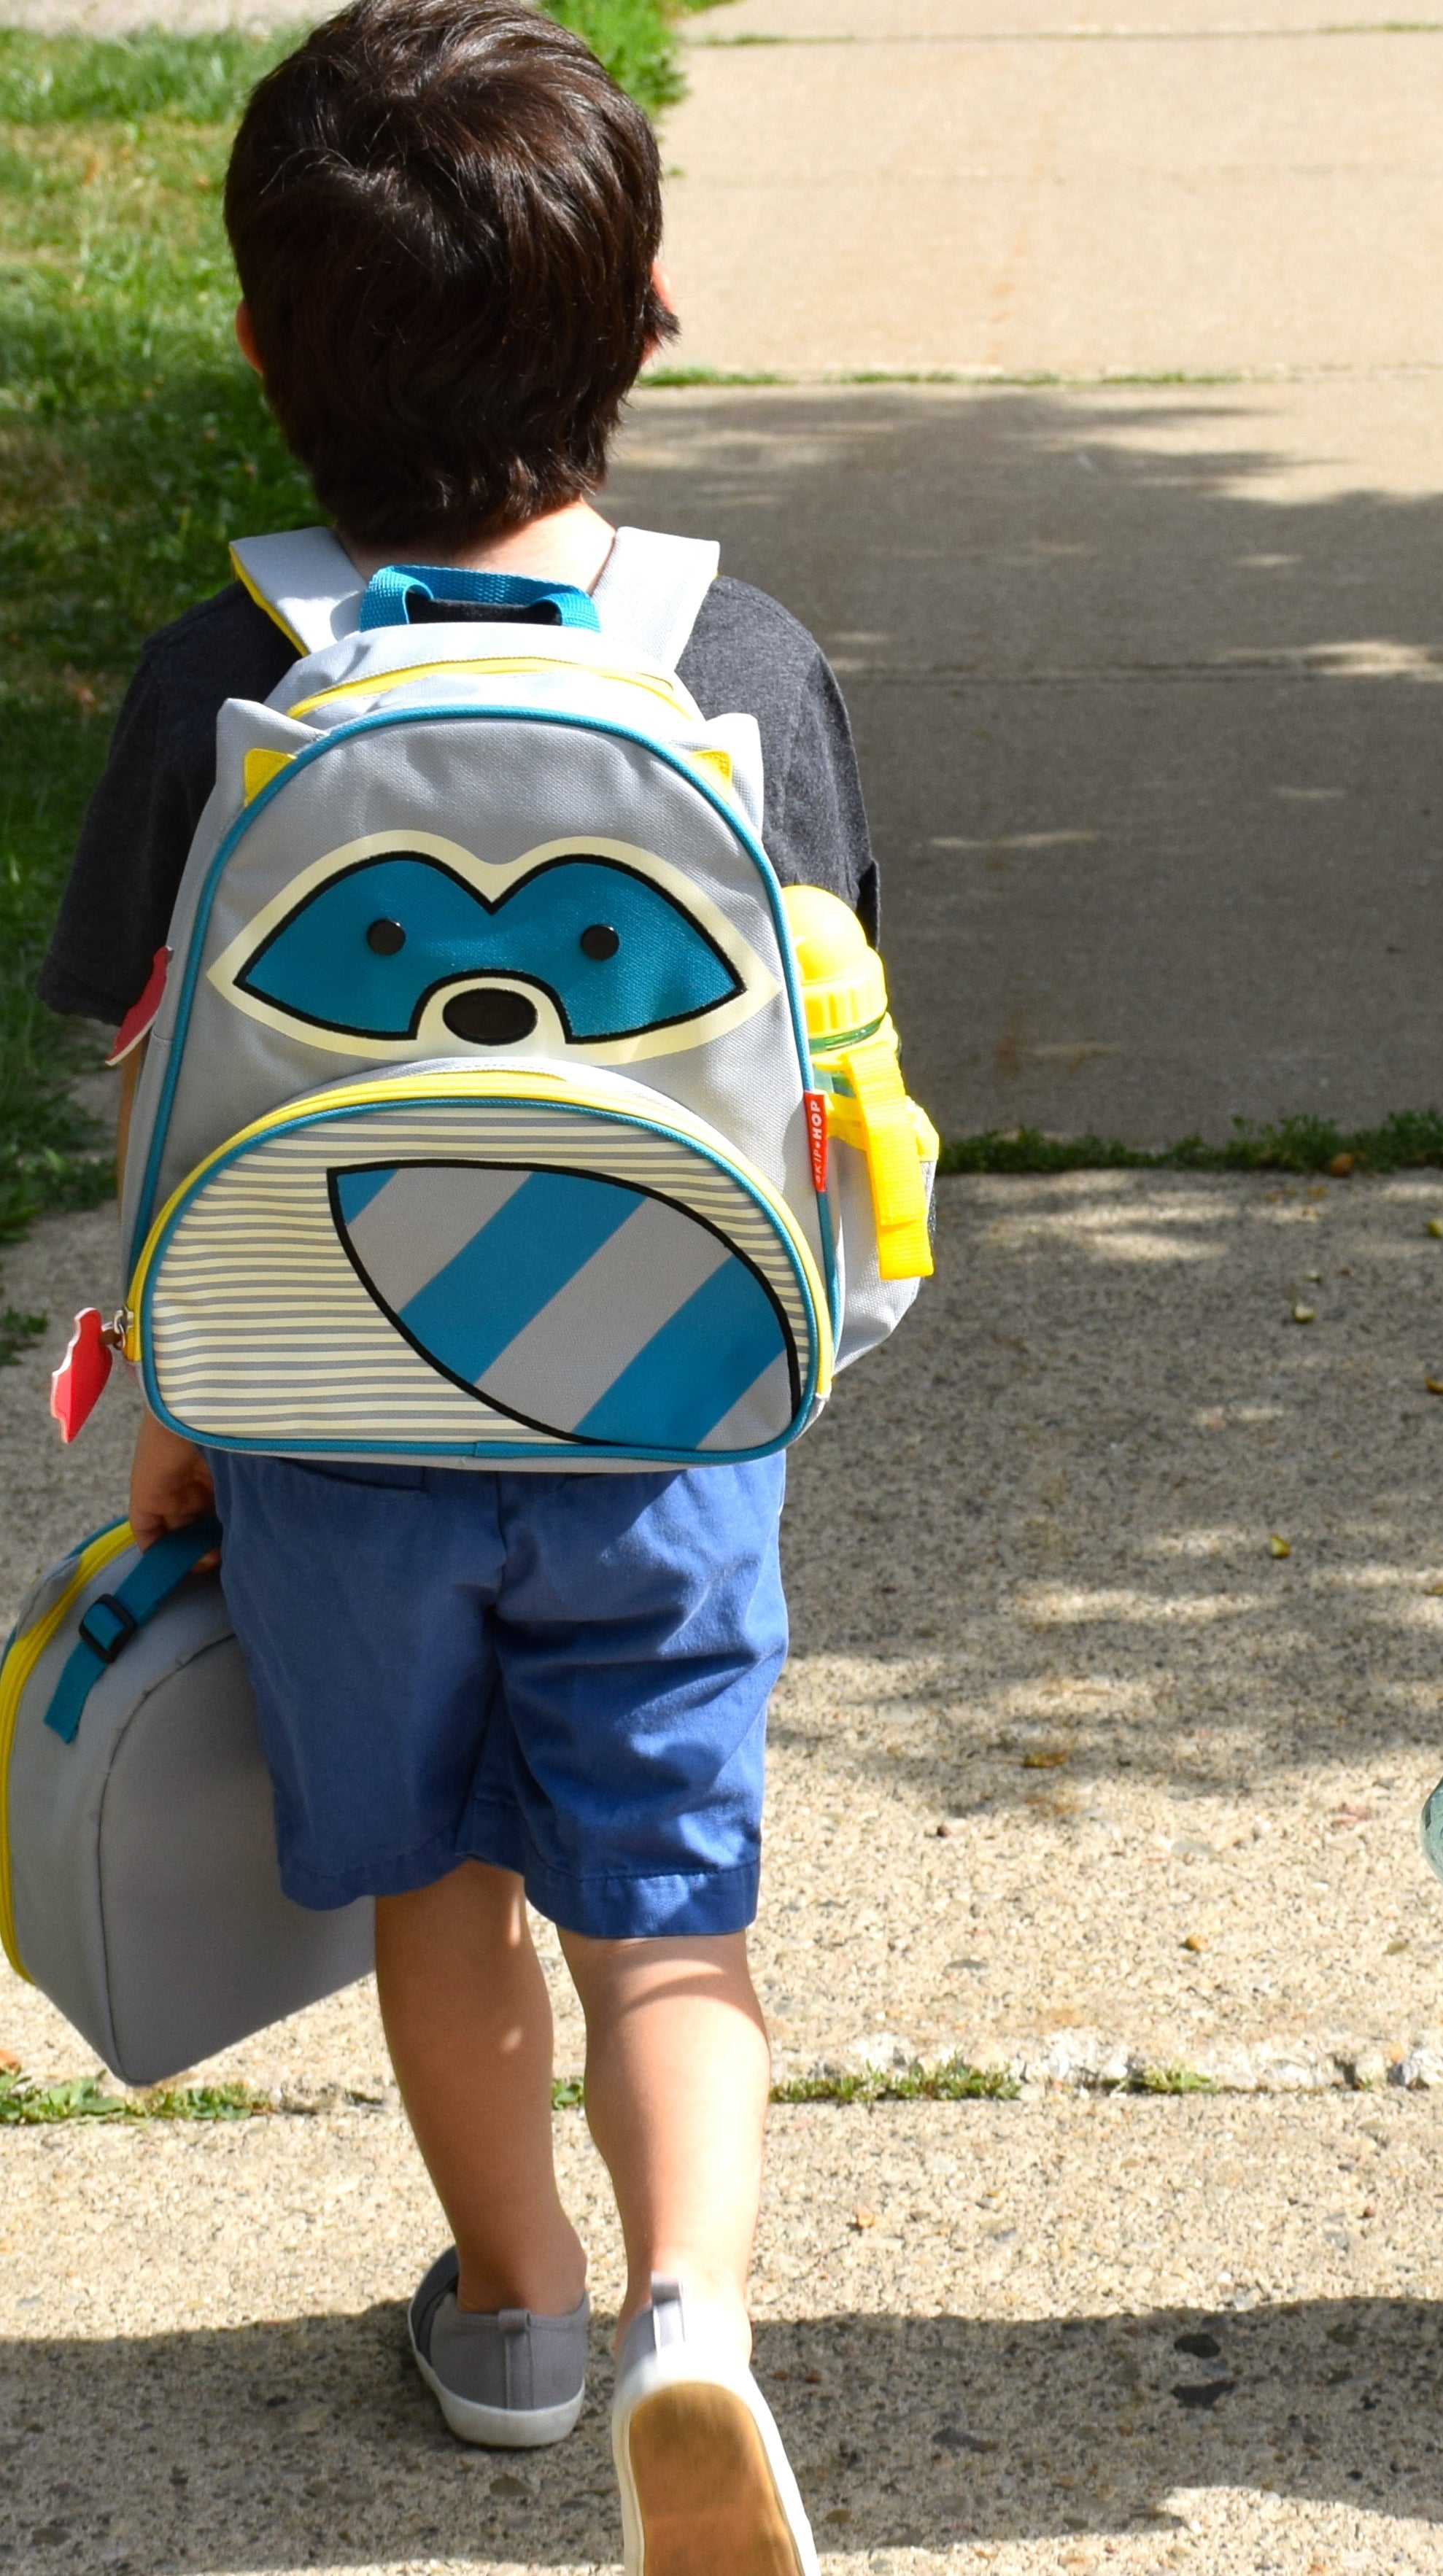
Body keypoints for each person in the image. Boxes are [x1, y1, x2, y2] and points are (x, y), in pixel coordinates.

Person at [39, 2, 872, 2559]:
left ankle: (513, 2312)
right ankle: (697, 2318)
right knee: (672, 1912)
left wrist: (177, 1389)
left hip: (319, 1420)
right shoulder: (732, 671)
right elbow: (824, 1042)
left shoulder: (224, 685)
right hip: (663, 1426)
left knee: (443, 1886)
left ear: (271, 347)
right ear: (639, 327)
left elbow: (153, 1080)